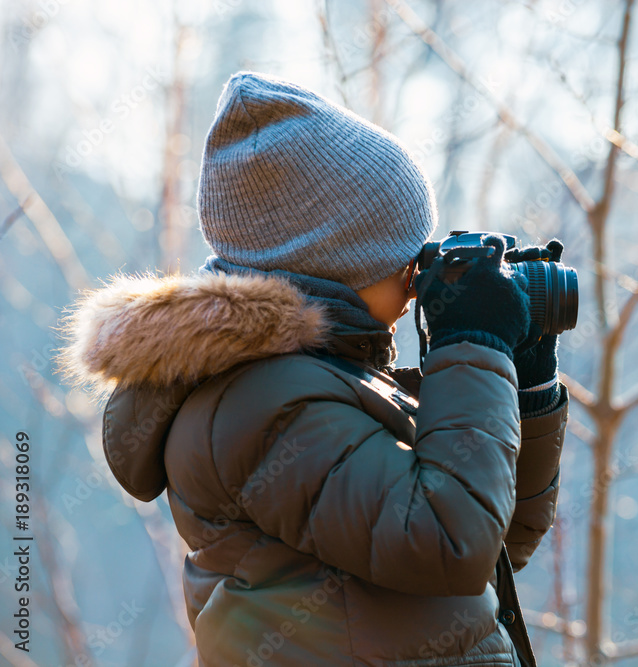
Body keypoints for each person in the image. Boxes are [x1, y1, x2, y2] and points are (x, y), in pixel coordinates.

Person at [59, 72, 568, 666]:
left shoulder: (325, 380)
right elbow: (450, 543)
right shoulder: (265, 404)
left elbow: (500, 538)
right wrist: (472, 344)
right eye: (404, 256)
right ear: (338, 270)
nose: (417, 275)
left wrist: (521, 378)